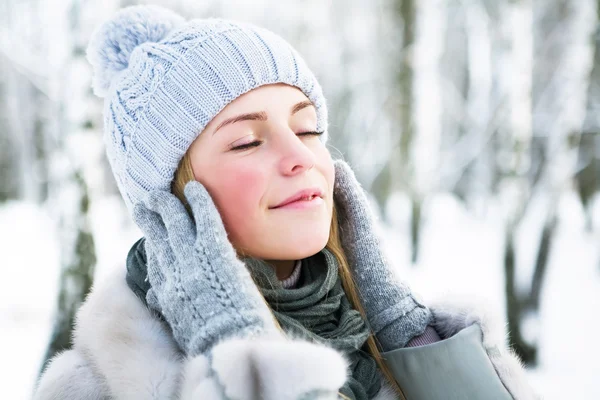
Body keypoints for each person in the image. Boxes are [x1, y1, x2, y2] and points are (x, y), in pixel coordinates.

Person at [32, 5, 539, 400]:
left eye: (308, 128)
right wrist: (239, 362)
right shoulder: (95, 388)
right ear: (172, 202)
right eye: (247, 141)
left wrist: (411, 339)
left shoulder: (388, 340)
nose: (302, 156)